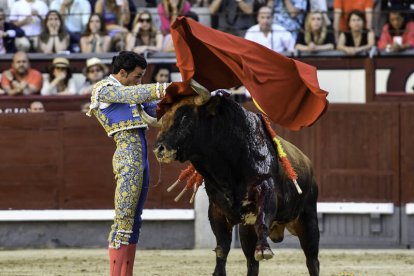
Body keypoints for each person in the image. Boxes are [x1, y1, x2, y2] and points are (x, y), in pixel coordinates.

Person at [86, 51, 170, 276]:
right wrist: (168, 87)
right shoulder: (103, 89)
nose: (139, 80)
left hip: (142, 161)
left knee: (135, 221)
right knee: (123, 221)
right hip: (128, 160)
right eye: (137, 75)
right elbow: (134, 94)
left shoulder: (133, 93)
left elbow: (161, 110)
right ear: (122, 73)